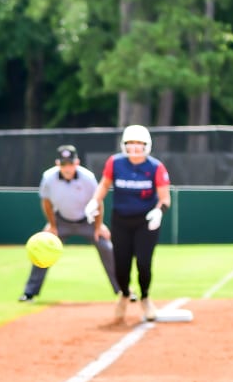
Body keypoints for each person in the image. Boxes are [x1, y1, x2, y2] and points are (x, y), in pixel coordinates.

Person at [85, 125, 171, 323]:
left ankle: (145, 298)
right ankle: (124, 294)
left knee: (143, 263)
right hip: (121, 221)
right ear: (124, 145)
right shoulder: (115, 163)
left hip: (146, 222)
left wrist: (159, 211)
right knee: (121, 265)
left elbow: (165, 197)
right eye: (130, 143)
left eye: (139, 143)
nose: (134, 147)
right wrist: (94, 202)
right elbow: (104, 184)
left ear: (147, 145)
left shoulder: (155, 167)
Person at [19, 145, 121, 302]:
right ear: (57, 164)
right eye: (63, 164)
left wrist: (98, 226)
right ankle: (29, 292)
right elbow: (46, 202)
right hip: (61, 221)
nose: (67, 168)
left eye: (70, 163)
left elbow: (98, 202)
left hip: (87, 221)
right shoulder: (48, 177)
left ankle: (123, 290)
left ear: (77, 163)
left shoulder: (88, 177)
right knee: (41, 248)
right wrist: (52, 225)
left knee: (107, 247)